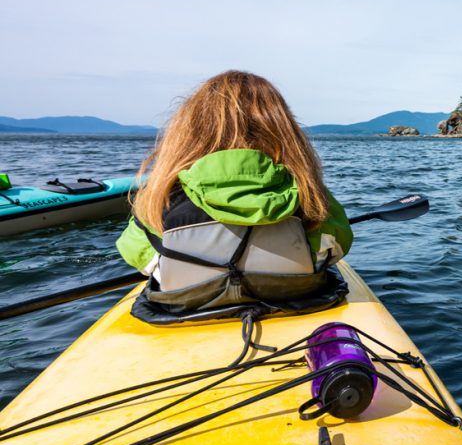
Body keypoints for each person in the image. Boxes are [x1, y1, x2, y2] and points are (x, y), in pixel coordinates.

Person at [116, 70, 353, 311]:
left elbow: (134, 252)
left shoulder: (160, 197)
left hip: (186, 306)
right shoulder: (308, 193)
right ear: (285, 128)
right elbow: (339, 243)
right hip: (296, 297)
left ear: (187, 130)